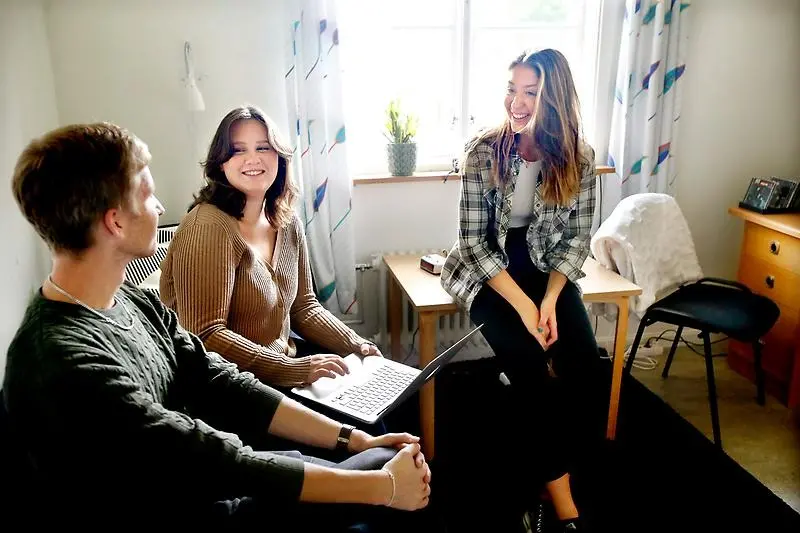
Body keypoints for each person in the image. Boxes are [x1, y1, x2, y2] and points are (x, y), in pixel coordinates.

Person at [3, 122, 432, 530]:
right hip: (188, 513)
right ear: (115, 222)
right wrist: (382, 488)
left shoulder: (132, 300)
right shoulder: (65, 363)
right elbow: (217, 459)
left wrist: (353, 440)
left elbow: (221, 380)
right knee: (390, 483)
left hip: (208, 480)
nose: (161, 207)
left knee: (386, 456)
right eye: (149, 195)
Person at [440, 49, 604, 531]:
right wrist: (527, 309)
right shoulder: (482, 151)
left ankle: (544, 459)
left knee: (583, 363)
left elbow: (576, 241)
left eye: (530, 92)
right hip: (488, 270)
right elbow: (473, 244)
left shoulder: (580, 157)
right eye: (511, 89)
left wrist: (549, 301)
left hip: (544, 266)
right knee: (532, 365)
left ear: (556, 99)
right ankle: (561, 500)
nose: (516, 102)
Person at [159, 105, 380, 391]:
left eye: (263, 147)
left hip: (282, 367)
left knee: (379, 397)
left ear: (279, 157)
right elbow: (205, 335)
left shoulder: (287, 220)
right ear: (221, 163)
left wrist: (357, 345)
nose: (253, 159)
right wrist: (297, 369)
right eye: (238, 150)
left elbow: (304, 307)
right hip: (230, 386)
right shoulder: (208, 226)